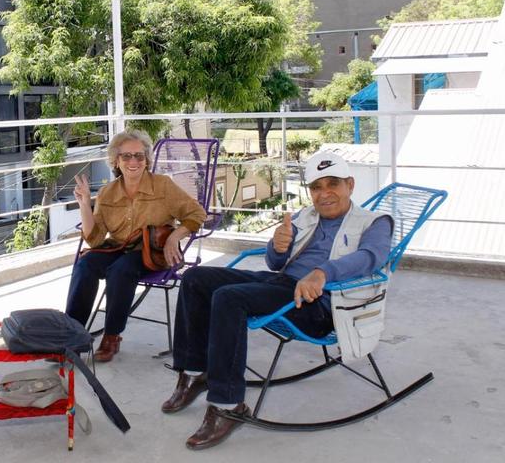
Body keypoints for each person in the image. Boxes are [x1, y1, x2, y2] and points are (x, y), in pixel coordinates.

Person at [162, 151, 393, 450]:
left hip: (321, 305)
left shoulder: (374, 222)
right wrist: (278, 246)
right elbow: (274, 262)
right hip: (282, 285)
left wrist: (323, 272)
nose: (324, 194)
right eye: (316, 187)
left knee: (229, 299)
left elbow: (372, 257)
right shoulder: (305, 216)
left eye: (333, 184)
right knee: (195, 278)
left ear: (350, 184)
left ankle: (228, 405)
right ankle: (194, 373)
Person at [66, 129, 207, 363]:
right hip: (118, 247)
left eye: (139, 156)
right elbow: (95, 239)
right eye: (126, 156)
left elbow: (197, 213)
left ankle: (112, 336)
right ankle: (71, 336)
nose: (134, 161)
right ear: (116, 161)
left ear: (147, 160)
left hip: (152, 252)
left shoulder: (163, 185)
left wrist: (175, 237)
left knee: (121, 269)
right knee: (85, 264)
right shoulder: (107, 193)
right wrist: (84, 205)